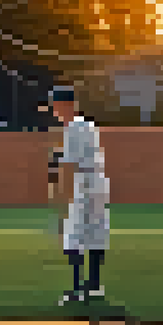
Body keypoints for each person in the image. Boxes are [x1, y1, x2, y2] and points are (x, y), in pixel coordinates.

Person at [48, 86, 112, 311]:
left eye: (55, 106)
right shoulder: (88, 125)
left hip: (84, 181)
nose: (55, 111)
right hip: (99, 180)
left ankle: (76, 290)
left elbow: (70, 164)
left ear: (62, 105)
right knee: (96, 232)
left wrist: (62, 200)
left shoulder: (72, 128)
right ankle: (94, 285)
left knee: (73, 233)